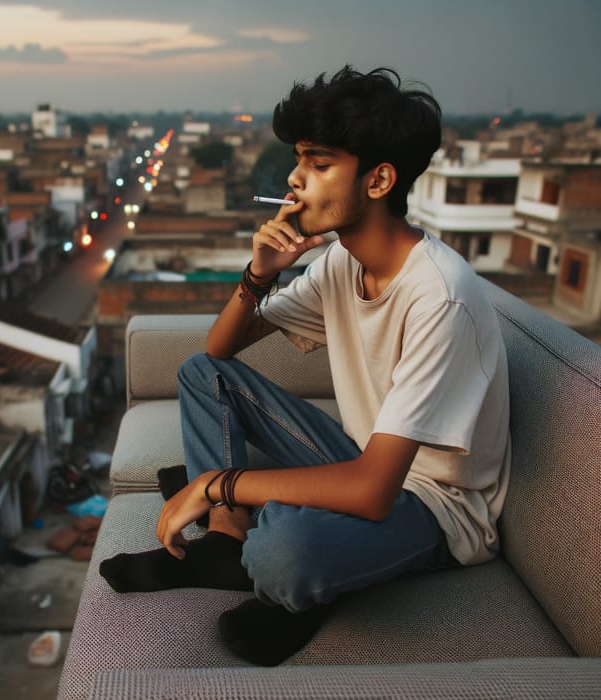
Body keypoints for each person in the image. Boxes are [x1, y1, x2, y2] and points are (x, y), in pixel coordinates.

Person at [100, 65, 511, 666]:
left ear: (379, 180)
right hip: (361, 457)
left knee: (286, 554)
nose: (294, 178)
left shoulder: (440, 297)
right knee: (199, 373)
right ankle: (227, 537)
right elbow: (218, 354)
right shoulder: (342, 263)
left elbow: (374, 493)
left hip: (437, 507)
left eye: (319, 164)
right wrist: (260, 272)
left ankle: (282, 552)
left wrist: (218, 481)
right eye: (299, 160)